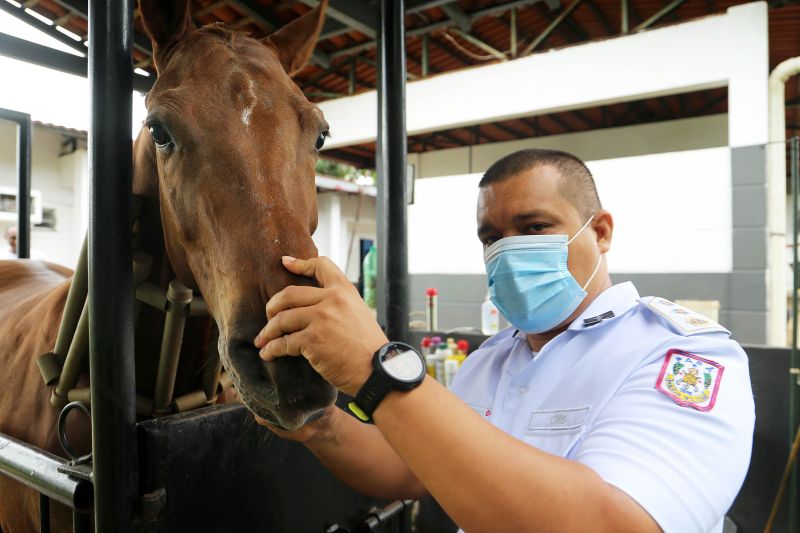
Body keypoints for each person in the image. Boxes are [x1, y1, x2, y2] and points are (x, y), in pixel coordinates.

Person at [253, 149, 754, 532]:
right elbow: (414, 468)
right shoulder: (492, 360)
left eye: (534, 227)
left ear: (600, 232)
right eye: (491, 238)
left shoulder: (681, 356)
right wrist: (318, 422)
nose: (509, 252)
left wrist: (374, 367)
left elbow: (611, 522)